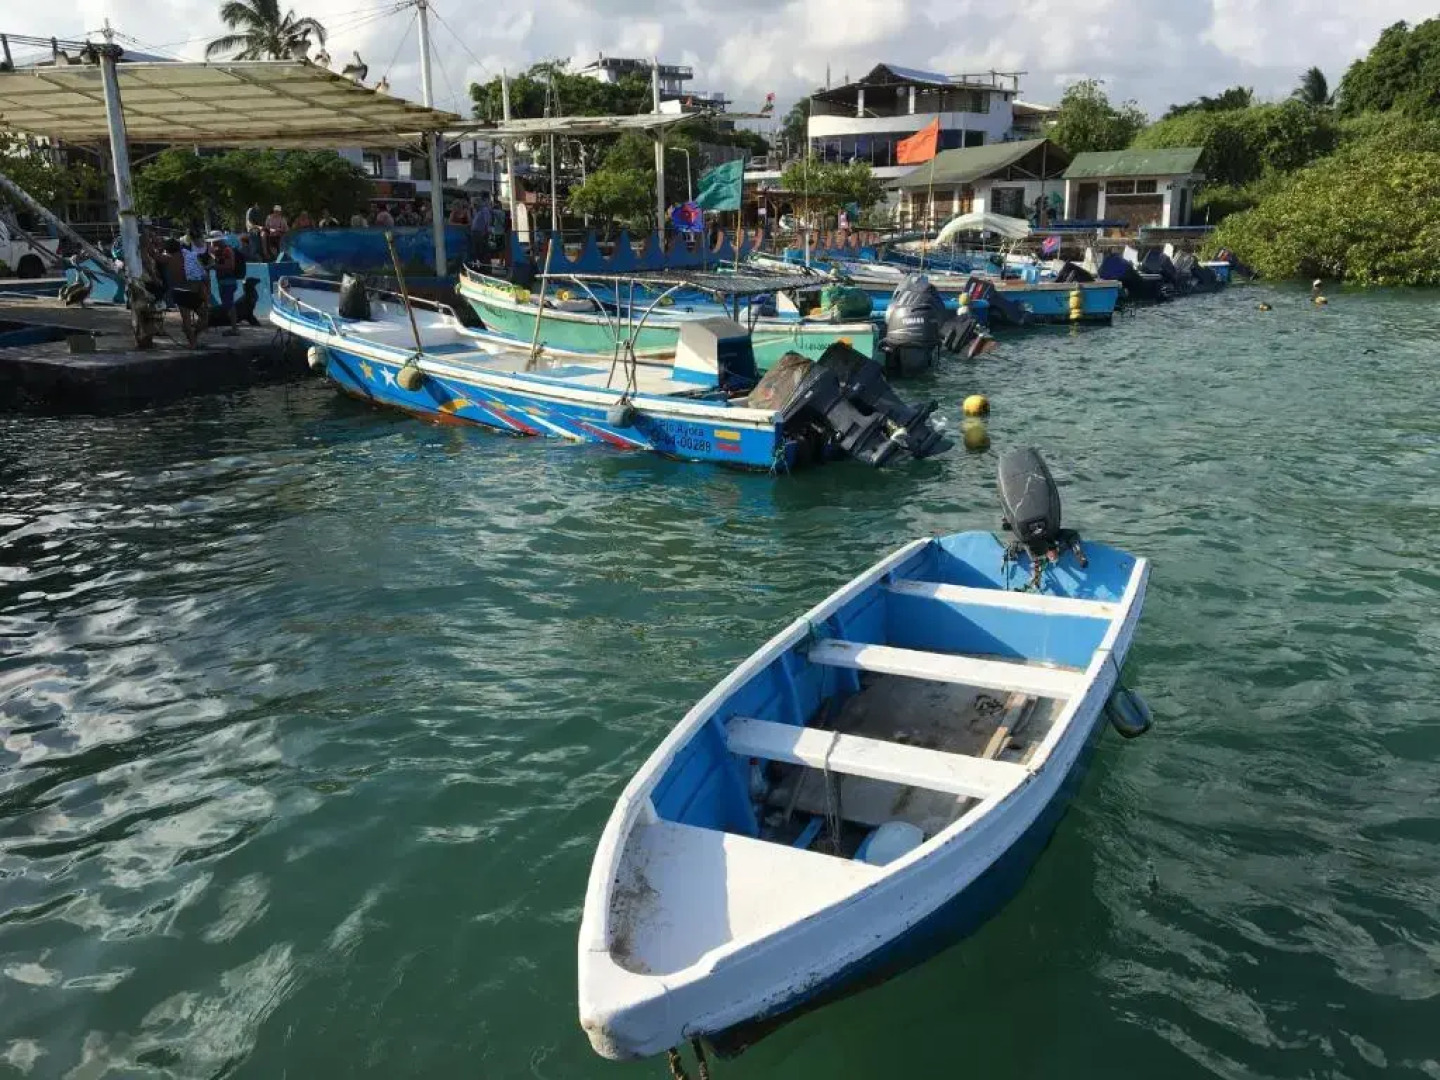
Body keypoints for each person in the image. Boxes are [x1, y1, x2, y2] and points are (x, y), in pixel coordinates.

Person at [207, 231, 240, 336]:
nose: (212, 244)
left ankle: (234, 329)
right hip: (224, 281)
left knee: (229, 305)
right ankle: (233, 327)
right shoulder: (221, 251)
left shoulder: (226, 250)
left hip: (228, 281)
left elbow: (229, 266)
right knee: (228, 304)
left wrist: (213, 267)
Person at [470, 192, 493, 264]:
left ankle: (483, 264)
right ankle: (478, 263)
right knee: (476, 249)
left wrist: (485, 232)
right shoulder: (478, 211)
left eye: (474, 204)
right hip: (476, 233)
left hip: (481, 233)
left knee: (481, 249)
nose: (473, 206)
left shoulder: (484, 210)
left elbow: (487, 221)